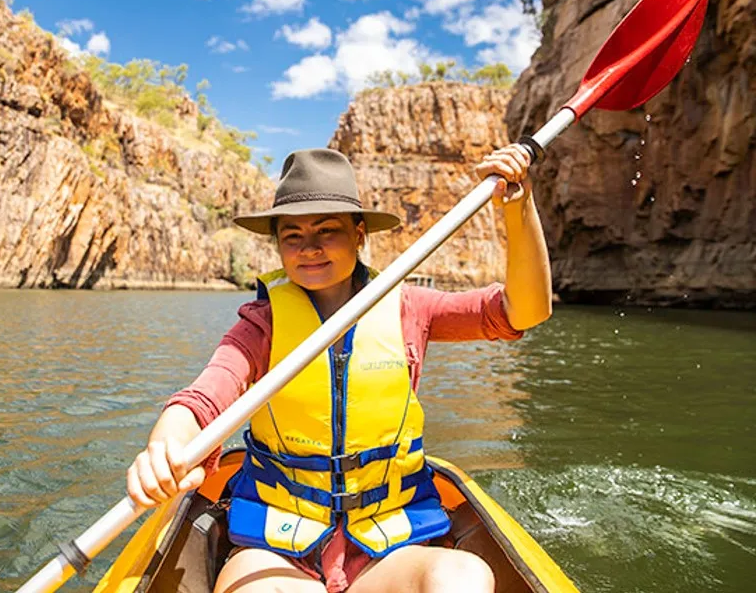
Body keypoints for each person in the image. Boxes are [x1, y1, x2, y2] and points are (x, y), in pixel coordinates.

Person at [126, 145, 552, 593]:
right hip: (277, 550)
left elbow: (523, 312)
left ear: (359, 234)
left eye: (327, 230)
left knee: (463, 575)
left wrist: (518, 207)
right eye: (292, 235)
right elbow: (206, 396)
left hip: (389, 545)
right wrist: (165, 444)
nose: (309, 248)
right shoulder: (262, 323)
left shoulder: (410, 307)